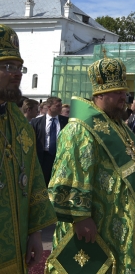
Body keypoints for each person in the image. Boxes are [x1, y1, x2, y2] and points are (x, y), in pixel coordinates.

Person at [46, 56, 135, 273]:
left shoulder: (120, 126)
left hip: (126, 224)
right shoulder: (80, 129)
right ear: (99, 94)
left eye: (124, 91)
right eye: (118, 92)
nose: (124, 97)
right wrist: (80, 217)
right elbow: (72, 174)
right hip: (98, 225)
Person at [0, 25, 56, 272]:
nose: (17, 74)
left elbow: (33, 180)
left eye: (18, 68)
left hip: (15, 244)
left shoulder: (21, 125)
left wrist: (35, 232)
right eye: (7, 67)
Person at [30, 96, 68, 186]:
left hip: (60, 156)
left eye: (61, 105)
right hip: (44, 157)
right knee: (43, 183)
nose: (60, 108)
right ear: (49, 107)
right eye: (58, 106)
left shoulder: (66, 121)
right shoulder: (36, 122)